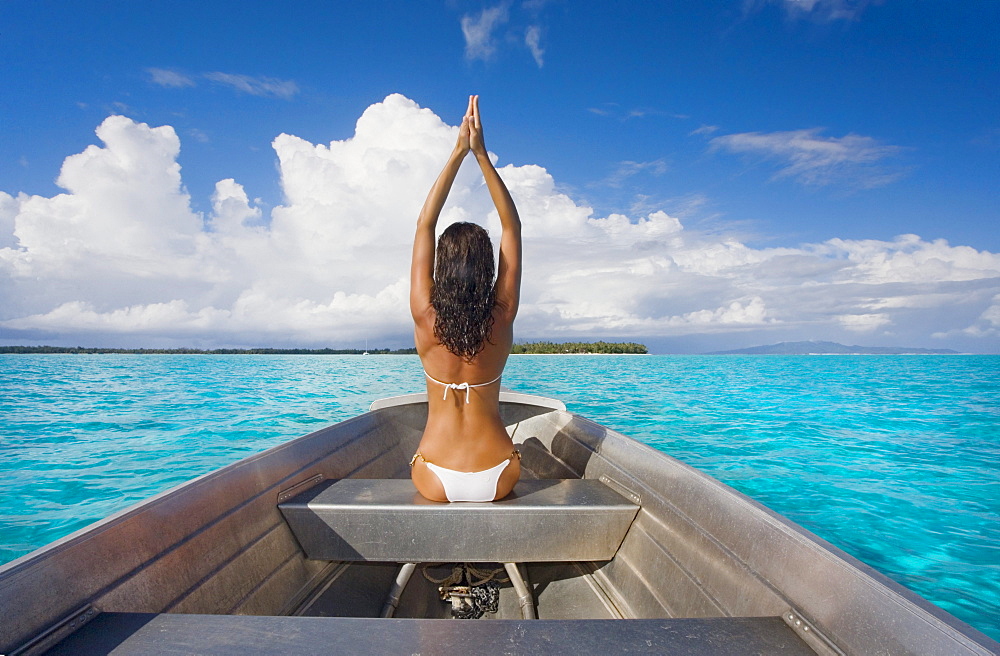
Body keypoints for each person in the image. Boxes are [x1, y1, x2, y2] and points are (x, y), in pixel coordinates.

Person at [409, 95, 522, 502]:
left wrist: (458, 151)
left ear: (442, 268)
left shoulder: (425, 317)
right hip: (500, 472)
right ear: (487, 269)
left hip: (434, 475)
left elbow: (425, 224)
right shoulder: (502, 316)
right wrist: (482, 156)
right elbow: (513, 228)